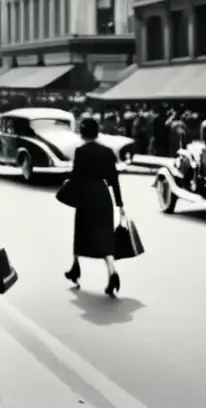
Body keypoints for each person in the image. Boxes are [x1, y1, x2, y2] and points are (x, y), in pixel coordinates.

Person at [64, 117, 124, 296]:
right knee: (105, 237)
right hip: (103, 196)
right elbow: (114, 180)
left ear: (82, 133)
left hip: (86, 196)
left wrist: (67, 191)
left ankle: (75, 268)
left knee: (81, 232)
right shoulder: (107, 151)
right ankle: (112, 272)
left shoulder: (81, 151)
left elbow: (76, 177)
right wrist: (120, 204)